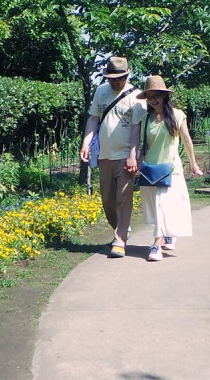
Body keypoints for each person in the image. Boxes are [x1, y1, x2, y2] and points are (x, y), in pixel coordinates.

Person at [127, 76, 203, 262]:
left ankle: (156, 245)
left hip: (171, 169)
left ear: (164, 96)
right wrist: (137, 162)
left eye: (156, 95)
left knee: (162, 205)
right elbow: (145, 145)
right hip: (151, 169)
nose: (153, 100)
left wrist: (193, 163)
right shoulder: (146, 119)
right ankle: (168, 235)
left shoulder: (177, 115)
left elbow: (186, 139)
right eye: (149, 96)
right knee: (157, 208)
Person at [80, 57, 143, 258]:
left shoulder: (136, 97)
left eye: (120, 78)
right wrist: (86, 142)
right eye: (112, 78)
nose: (116, 82)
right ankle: (122, 228)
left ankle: (119, 240)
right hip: (104, 156)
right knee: (107, 200)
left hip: (125, 155)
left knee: (123, 198)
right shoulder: (101, 92)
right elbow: (93, 119)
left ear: (127, 75)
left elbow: (136, 129)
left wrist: (133, 155)